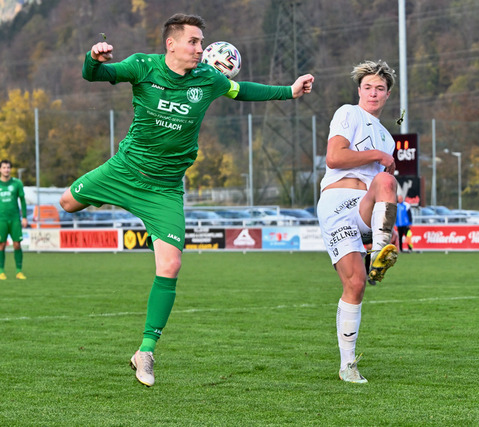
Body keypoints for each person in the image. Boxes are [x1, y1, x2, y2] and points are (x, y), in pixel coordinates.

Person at [59, 13, 314, 387]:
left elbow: (243, 90)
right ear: (172, 44)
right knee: (66, 203)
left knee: (172, 263)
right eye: (194, 42)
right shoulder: (142, 66)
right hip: (125, 171)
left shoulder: (209, 79)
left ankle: (145, 351)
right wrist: (92, 58)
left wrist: (288, 91)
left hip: (164, 189)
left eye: (201, 43)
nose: (201, 50)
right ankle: (104, 197)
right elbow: (97, 75)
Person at [317, 60, 398, 384]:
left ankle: (379, 253)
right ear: (359, 90)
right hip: (337, 206)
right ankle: (348, 365)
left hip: (364, 206)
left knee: (388, 183)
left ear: (387, 94)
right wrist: (377, 156)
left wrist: (388, 227)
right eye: (368, 87)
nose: (373, 93)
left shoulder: (388, 138)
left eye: (380, 88)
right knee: (355, 284)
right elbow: (335, 158)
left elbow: (384, 192)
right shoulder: (348, 113)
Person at [0, 160, 28, 280]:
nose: (6, 170)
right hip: (1, 219)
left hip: (15, 219)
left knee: (17, 244)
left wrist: (25, 217)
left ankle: (19, 271)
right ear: (0, 169)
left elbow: (22, 200)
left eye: (8, 167)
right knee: (1, 245)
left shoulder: (17, 183)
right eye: (4, 167)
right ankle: (1, 271)